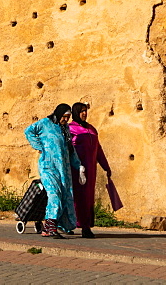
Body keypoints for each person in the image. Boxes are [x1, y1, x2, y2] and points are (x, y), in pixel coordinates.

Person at [24, 104, 85, 238]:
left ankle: (52, 226)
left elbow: (71, 150)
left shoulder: (65, 129)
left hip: (63, 169)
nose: (65, 119)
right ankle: (51, 227)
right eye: (64, 116)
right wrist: (39, 146)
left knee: (64, 197)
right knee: (54, 195)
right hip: (48, 167)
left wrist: (79, 166)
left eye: (68, 117)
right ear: (58, 113)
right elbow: (28, 131)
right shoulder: (45, 123)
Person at [69, 101, 113, 238]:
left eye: (85, 110)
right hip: (76, 169)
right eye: (81, 111)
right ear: (75, 112)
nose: (84, 113)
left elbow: (98, 150)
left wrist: (106, 166)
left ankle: (85, 226)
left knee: (87, 198)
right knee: (75, 197)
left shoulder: (92, 129)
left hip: (90, 171)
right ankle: (70, 224)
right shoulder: (70, 129)